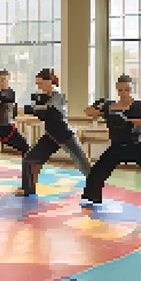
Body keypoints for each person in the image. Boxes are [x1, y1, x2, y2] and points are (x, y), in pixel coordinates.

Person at [82, 74, 141, 214]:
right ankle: (92, 199)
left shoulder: (137, 105)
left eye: (126, 90)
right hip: (117, 146)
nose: (123, 93)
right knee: (97, 171)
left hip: (137, 146)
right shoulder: (110, 105)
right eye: (120, 90)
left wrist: (127, 120)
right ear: (117, 90)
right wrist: (102, 109)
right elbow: (88, 112)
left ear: (131, 89)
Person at [16, 68, 91, 197]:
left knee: (83, 163)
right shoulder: (44, 98)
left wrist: (28, 109)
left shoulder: (57, 96)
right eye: (37, 84)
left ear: (49, 81)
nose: (38, 87)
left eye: (40, 83)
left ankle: (96, 187)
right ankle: (28, 189)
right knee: (29, 159)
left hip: (65, 136)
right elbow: (43, 114)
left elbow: (49, 110)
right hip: (50, 136)